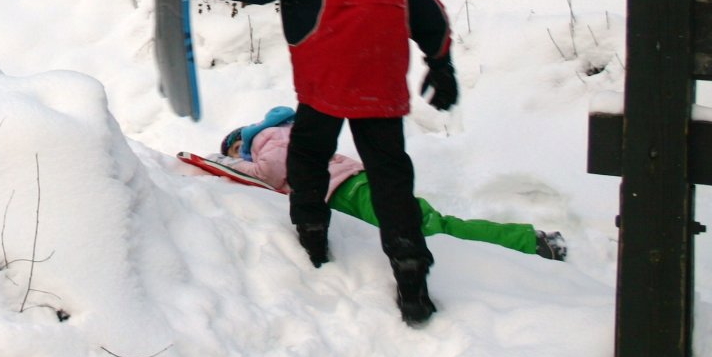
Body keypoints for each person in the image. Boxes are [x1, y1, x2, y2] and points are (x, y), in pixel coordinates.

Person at [193, 0, 459, 326]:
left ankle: (312, 239)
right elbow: (429, 15)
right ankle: (411, 274)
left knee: (310, 157)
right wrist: (441, 63)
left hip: (326, 85)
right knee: (390, 177)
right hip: (381, 86)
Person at [208, 108, 567, 261]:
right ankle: (529, 241)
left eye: (238, 148)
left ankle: (531, 242)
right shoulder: (287, 132)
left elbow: (271, 171)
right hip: (357, 189)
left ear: (246, 136)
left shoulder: (268, 137)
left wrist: (230, 165)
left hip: (352, 190)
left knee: (430, 228)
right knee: (436, 229)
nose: (242, 156)